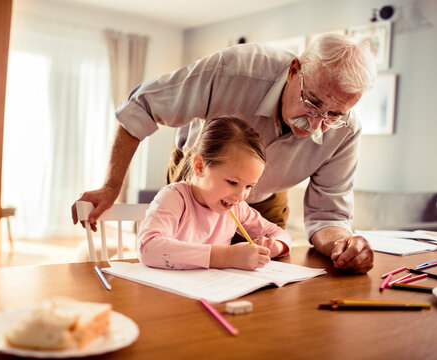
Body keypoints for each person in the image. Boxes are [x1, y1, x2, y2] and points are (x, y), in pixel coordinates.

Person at [74, 33, 376, 273]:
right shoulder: (235, 70)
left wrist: (343, 246)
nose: (315, 124)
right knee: (182, 265)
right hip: (198, 181)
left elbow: (328, 215)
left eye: (334, 114)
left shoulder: (345, 132)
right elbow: (141, 108)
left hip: (268, 198)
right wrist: (111, 186)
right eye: (311, 102)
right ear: (294, 70)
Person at [138, 117, 291, 270]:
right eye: (232, 182)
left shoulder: (237, 209)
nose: (240, 196)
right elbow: (148, 248)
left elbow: (278, 232)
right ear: (199, 167)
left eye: (249, 186)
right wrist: (227, 257)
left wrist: (273, 246)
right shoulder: (174, 198)